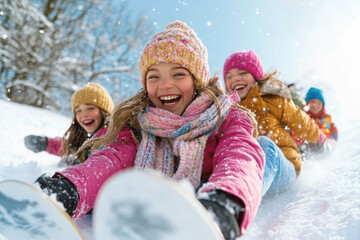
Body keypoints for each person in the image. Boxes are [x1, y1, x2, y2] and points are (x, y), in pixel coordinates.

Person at [34, 21, 265, 239]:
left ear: (198, 80)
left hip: (210, 193)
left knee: (266, 151)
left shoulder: (227, 116)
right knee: (110, 190)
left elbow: (239, 156)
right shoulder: (139, 124)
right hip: (163, 195)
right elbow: (112, 159)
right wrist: (70, 188)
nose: (165, 85)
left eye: (179, 74)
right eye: (154, 76)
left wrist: (226, 201)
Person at [223, 50, 325, 197]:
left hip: (283, 164)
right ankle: (224, 192)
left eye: (242, 73)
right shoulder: (229, 111)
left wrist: (318, 137)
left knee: (265, 144)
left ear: (255, 75)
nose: (235, 79)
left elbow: (300, 121)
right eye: (229, 76)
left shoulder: (271, 98)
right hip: (248, 169)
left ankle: (239, 200)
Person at [24, 82, 114, 166]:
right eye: (78, 110)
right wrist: (46, 143)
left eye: (90, 108)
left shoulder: (111, 139)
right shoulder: (85, 138)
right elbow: (69, 146)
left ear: (104, 112)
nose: (84, 115)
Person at [298, 87, 338, 154]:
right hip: (307, 144)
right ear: (307, 103)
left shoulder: (325, 118)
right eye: (313, 102)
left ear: (322, 105)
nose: (315, 105)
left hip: (324, 144)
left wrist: (332, 138)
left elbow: (333, 128)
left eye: (319, 103)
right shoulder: (304, 116)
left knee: (327, 145)